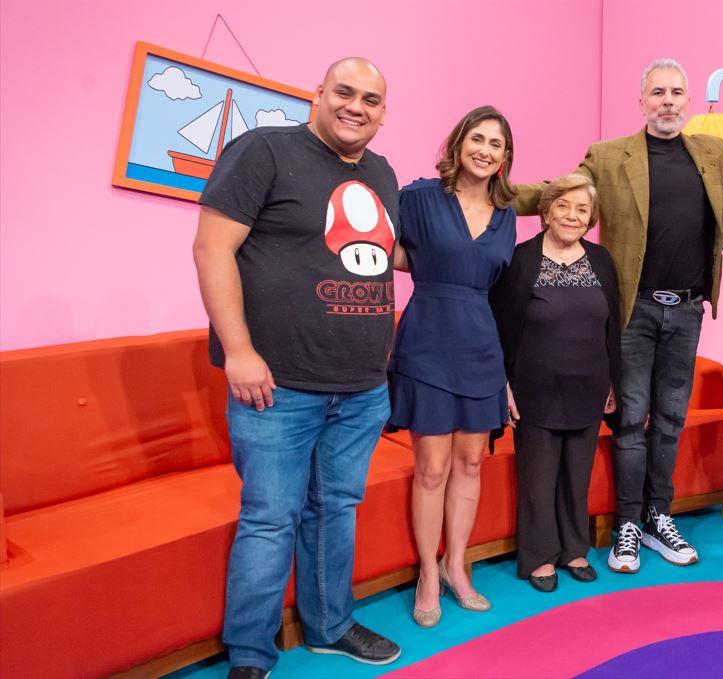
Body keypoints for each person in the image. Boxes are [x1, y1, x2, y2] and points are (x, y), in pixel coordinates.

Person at [192, 58, 402, 679]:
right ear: (318, 94)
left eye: (371, 98)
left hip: (362, 386)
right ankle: (251, 655)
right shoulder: (263, 150)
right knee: (269, 518)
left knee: (335, 510)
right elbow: (212, 248)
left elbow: (378, 255)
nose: (356, 107)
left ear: (383, 112)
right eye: (345, 92)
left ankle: (329, 627)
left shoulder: (382, 173)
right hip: (275, 385)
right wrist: (239, 351)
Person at [514, 58, 723, 574]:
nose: (668, 101)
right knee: (630, 421)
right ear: (642, 101)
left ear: (689, 101)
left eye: (677, 92)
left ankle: (659, 517)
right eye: (658, 92)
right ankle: (628, 525)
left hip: (688, 309)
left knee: (671, 420)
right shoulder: (610, 157)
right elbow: (560, 193)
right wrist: (486, 194)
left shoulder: (715, 153)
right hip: (634, 309)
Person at [387, 106, 517, 626]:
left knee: (469, 465)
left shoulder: (508, 214)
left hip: (483, 348)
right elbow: (382, 249)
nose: (485, 150)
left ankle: (456, 567)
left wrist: (508, 375)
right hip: (427, 343)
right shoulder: (419, 197)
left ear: (506, 157)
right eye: (478, 139)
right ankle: (425, 574)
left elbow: (500, 290)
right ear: (459, 142)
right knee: (432, 468)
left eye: (497, 144)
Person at [490, 175, 622, 592]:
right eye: (563, 206)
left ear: (590, 219)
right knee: (539, 475)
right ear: (546, 212)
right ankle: (539, 556)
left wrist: (614, 383)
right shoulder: (520, 260)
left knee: (576, 474)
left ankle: (574, 549)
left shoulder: (601, 260)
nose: (572, 215)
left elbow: (612, 329)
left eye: (582, 209)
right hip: (534, 387)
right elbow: (499, 328)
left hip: (589, 385)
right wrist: (502, 385)